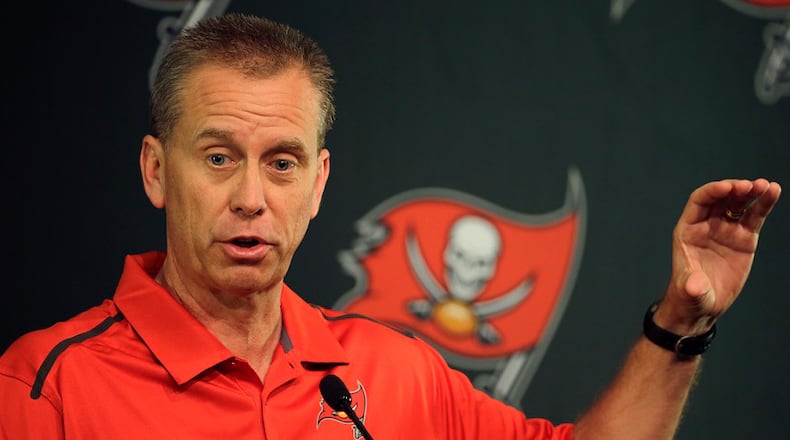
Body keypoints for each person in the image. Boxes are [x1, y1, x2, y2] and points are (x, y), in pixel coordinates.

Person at [0, 12, 781, 440]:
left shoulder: (391, 372)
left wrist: (683, 320)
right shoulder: (47, 388)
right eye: (216, 157)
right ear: (155, 171)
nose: (250, 197)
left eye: (281, 163)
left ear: (317, 183)